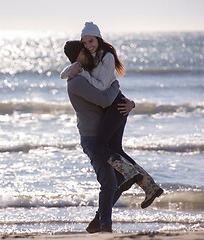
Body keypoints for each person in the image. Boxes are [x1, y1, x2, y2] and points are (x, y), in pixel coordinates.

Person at [61, 22, 163, 233]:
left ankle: (105, 221)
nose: (87, 48)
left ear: (98, 39)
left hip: (107, 126)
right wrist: (116, 87)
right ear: (77, 57)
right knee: (112, 180)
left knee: (113, 180)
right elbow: (106, 98)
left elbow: (108, 94)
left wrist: (128, 101)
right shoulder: (77, 80)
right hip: (92, 136)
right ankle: (105, 221)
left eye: (89, 43)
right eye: (83, 47)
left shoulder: (97, 61)